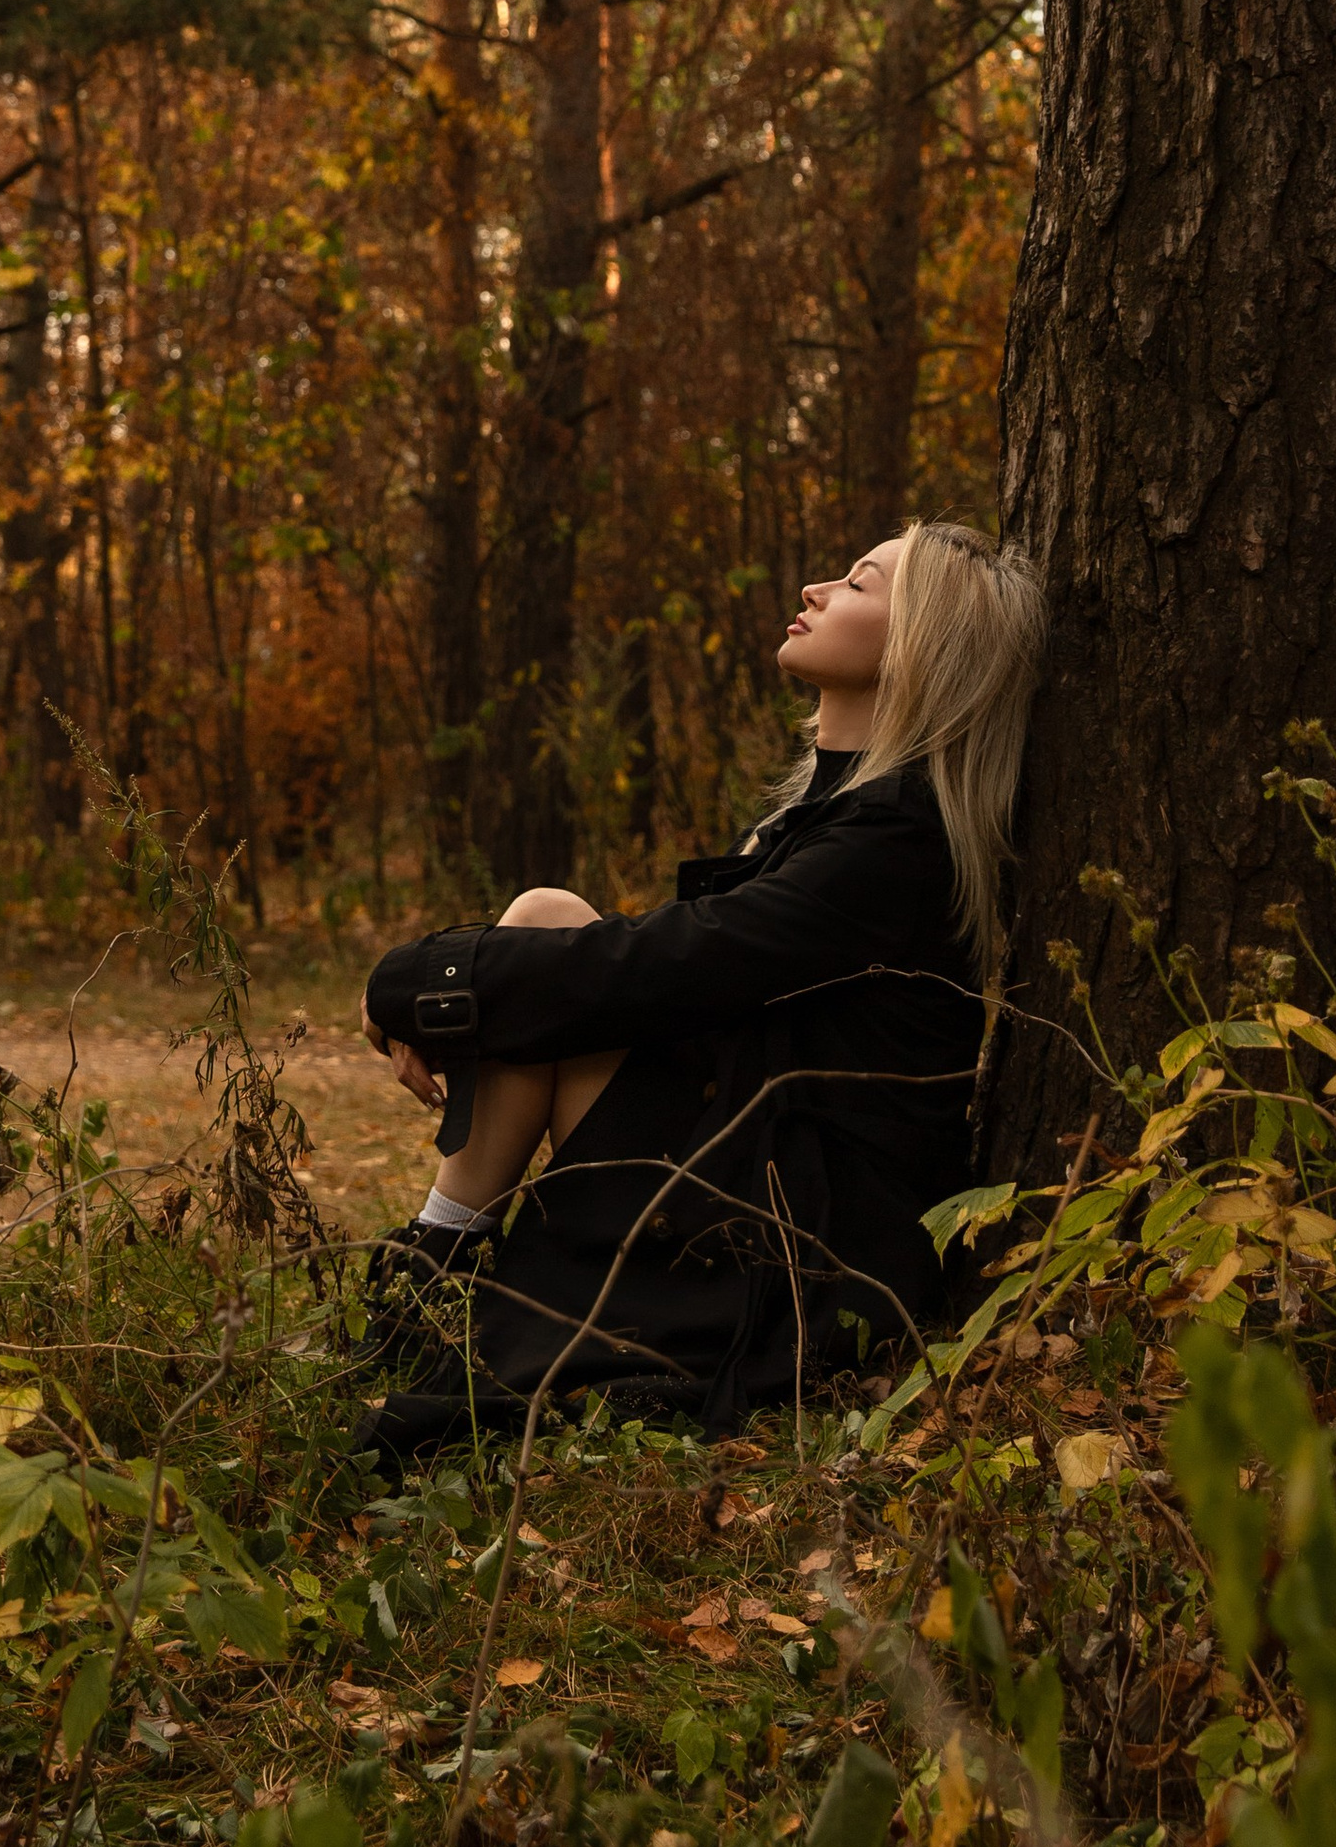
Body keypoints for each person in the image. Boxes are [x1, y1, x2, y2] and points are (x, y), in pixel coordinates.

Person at [353, 519, 1048, 1457]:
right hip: (749, 1162)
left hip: (800, 1244)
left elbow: (666, 965)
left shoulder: (899, 839)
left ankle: (429, 1272)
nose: (815, 589)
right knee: (550, 921)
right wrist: (451, 991)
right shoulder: (827, 820)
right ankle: (432, 1264)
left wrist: (417, 985)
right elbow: (656, 977)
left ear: (922, 645)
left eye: (858, 582)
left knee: (552, 952)